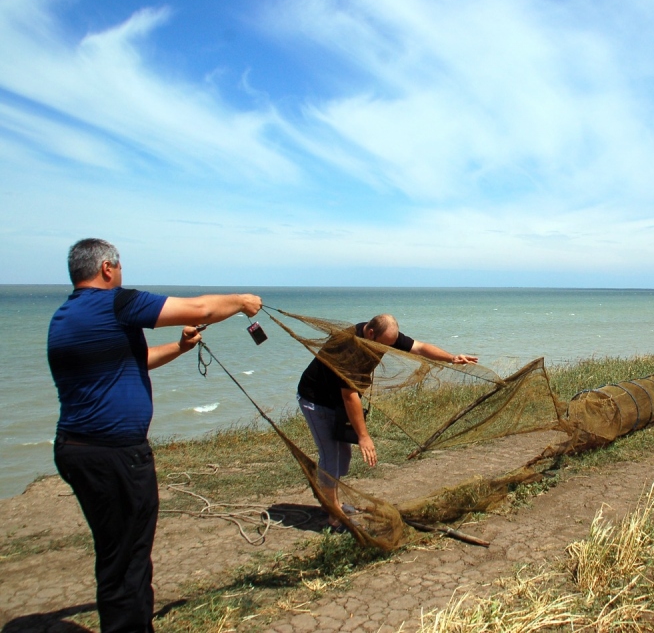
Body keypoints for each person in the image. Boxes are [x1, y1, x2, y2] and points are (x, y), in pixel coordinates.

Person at [47, 238, 263, 632]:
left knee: (116, 552)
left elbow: (136, 360)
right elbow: (198, 308)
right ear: (108, 268)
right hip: (115, 455)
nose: (122, 274)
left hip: (76, 450)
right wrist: (241, 302)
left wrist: (180, 348)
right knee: (129, 559)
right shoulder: (114, 303)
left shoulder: (66, 317)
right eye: (121, 267)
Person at [296, 313, 477, 526]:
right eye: (385, 345)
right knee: (330, 458)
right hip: (316, 401)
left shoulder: (383, 334)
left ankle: (332, 501)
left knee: (342, 459)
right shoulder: (349, 347)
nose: (387, 349)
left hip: (336, 401)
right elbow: (350, 395)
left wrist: (451, 358)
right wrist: (363, 437)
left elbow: (419, 347)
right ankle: (334, 513)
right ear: (371, 333)